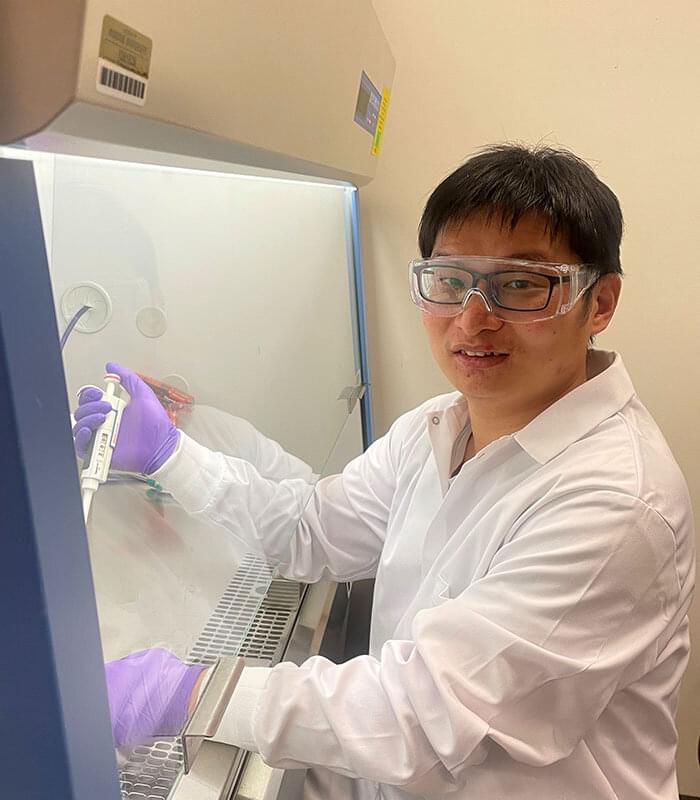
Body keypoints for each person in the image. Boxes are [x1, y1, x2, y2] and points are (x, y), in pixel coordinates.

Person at [74, 144, 695, 800]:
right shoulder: (438, 427)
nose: (472, 319)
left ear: (600, 303)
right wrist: (171, 453)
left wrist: (187, 692)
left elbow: (419, 718)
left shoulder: (617, 503)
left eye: (520, 284)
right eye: (450, 281)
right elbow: (311, 531)